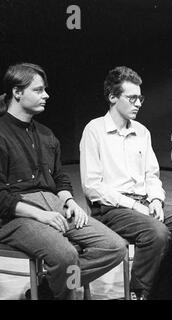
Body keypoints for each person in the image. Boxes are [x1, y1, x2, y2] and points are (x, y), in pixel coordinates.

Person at [0, 63, 127, 300]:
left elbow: (59, 177)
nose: (46, 95)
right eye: (38, 90)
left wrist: (69, 200)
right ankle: (60, 286)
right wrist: (40, 215)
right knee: (66, 256)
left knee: (114, 247)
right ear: (17, 92)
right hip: (14, 215)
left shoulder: (47, 134)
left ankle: (48, 288)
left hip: (53, 204)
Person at [79, 66, 172, 300]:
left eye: (140, 98)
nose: (139, 103)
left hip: (146, 202)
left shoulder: (142, 132)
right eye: (132, 98)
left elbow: (152, 176)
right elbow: (92, 186)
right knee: (157, 233)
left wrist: (157, 200)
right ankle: (141, 293)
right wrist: (135, 206)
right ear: (112, 97)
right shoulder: (94, 130)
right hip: (111, 208)